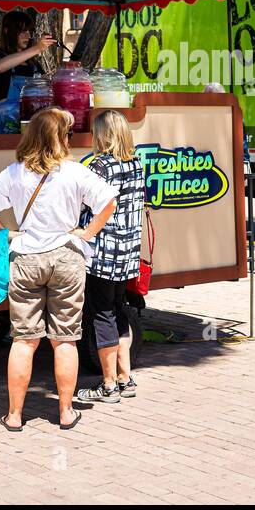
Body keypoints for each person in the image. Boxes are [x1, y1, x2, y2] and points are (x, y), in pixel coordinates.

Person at [0, 107, 117, 431]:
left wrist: (2, 232)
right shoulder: (75, 172)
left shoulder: (15, 172)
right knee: (65, 340)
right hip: (67, 256)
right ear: (60, 138)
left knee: (24, 341)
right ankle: (65, 412)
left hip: (26, 259)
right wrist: (88, 233)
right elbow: (109, 201)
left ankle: (14, 415)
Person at [75, 110, 146, 404]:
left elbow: (85, 204)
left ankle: (107, 385)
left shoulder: (101, 166)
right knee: (118, 310)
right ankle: (124, 377)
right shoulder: (136, 165)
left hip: (103, 251)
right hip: (128, 252)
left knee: (101, 314)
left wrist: (81, 230)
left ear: (102, 135)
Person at [0, 11, 56, 101]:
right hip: (7, 114)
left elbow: (47, 86)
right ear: (7, 30)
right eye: (23, 31)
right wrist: (37, 48)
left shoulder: (34, 64)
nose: (28, 36)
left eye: (29, 31)